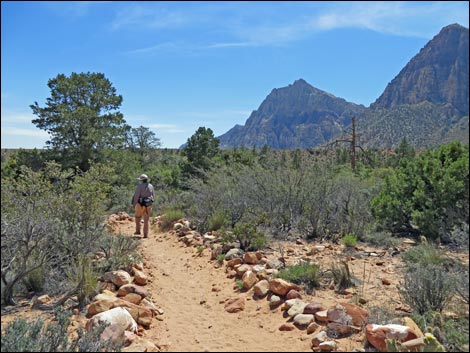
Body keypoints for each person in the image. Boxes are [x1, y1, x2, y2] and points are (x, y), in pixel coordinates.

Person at [131, 174, 155, 238]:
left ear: (141, 180)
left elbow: (136, 196)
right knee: (146, 220)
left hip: (140, 204)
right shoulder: (151, 186)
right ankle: (145, 235)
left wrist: (134, 205)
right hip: (148, 204)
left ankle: (138, 231)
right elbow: (153, 196)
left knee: (138, 217)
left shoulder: (140, 186)